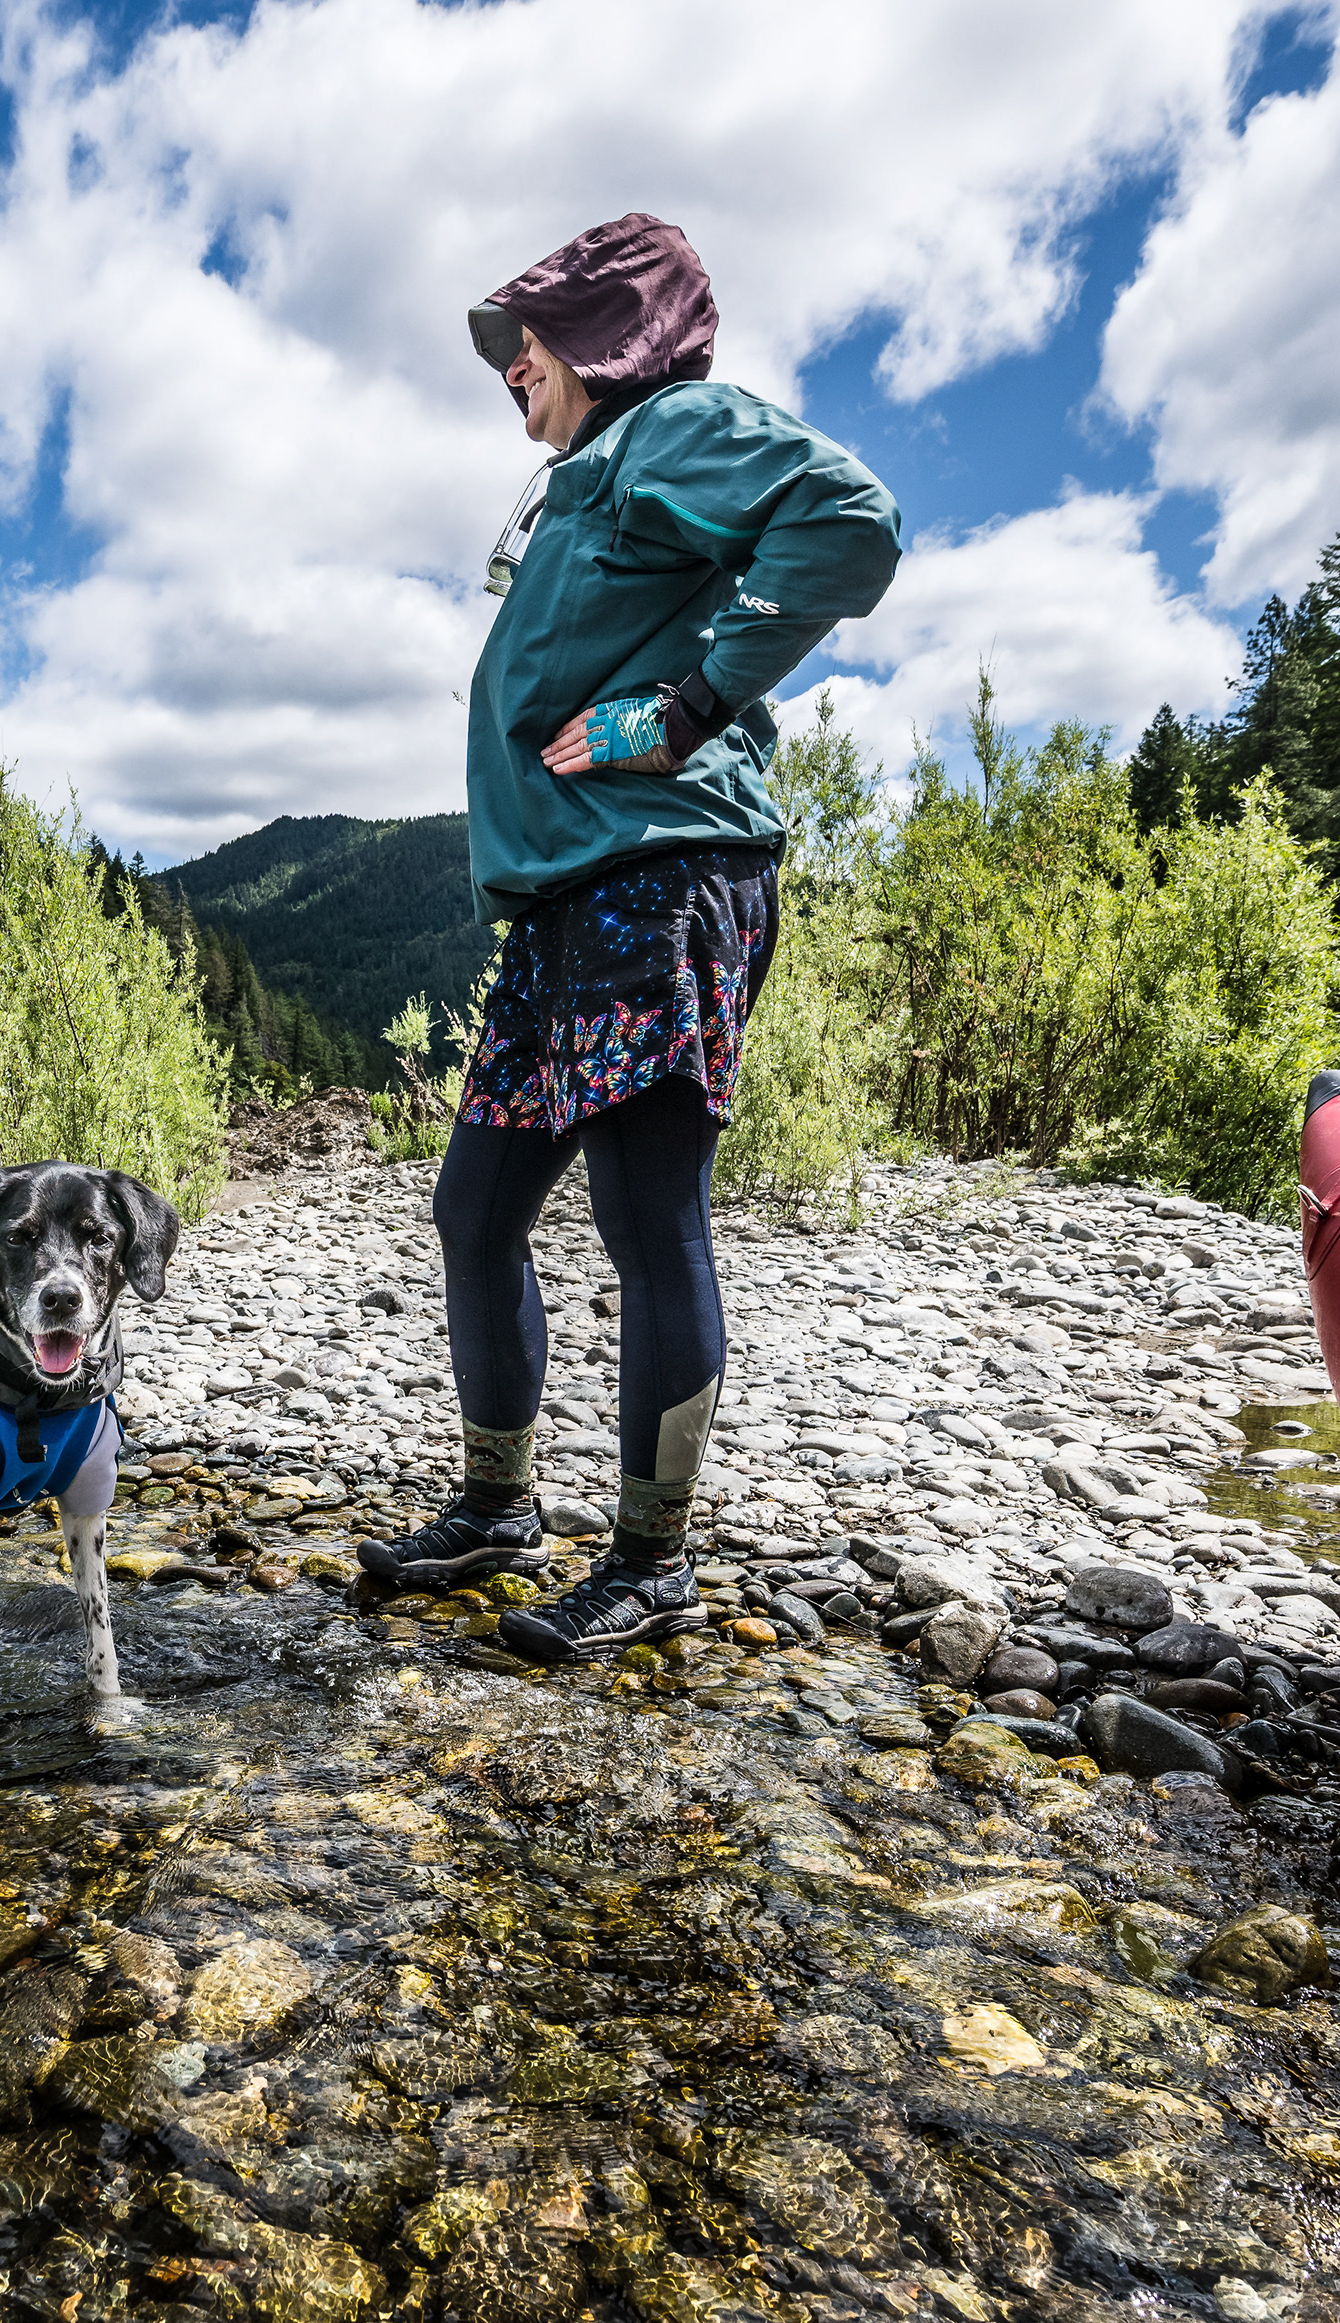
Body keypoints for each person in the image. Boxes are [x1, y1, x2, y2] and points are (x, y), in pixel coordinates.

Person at [359, 213, 901, 1661]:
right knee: (474, 1210)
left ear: (605, 336)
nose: (510, 367)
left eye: (530, 338)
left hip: (661, 878)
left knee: (646, 1218)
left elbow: (851, 520)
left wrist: (687, 708)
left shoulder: (672, 428)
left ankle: (652, 1560)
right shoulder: (591, 473)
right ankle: (496, 1506)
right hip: (571, 903)